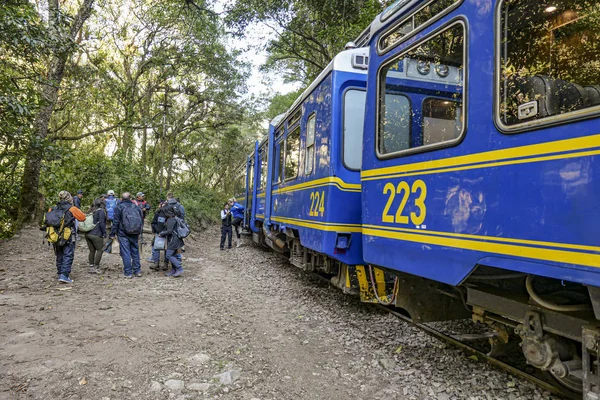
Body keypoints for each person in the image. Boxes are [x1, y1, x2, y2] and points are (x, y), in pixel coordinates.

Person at [48, 191, 86, 283]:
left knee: (59, 254)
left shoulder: (52, 208)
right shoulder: (72, 209)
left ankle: (60, 273)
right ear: (69, 198)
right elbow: (82, 218)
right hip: (68, 235)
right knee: (68, 254)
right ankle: (64, 275)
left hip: (55, 235)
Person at [109, 192, 144, 278]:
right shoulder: (136, 207)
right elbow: (141, 220)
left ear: (121, 199)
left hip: (123, 233)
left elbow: (115, 222)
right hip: (135, 232)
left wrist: (112, 233)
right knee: (135, 251)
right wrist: (140, 232)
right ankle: (137, 271)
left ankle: (128, 273)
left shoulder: (119, 207)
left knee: (126, 252)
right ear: (130, 198)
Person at [158, 205, 184, 277]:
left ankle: (179, 268)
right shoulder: (175, 218)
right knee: (173, 255)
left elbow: (169, 231)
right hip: (177, 239)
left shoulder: (170, 220)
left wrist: (161, 233)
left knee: (168, 255)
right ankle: (173, 270)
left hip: (173, 240)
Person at [85, 198, 107, 274]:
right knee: (100, 250)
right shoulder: (101, 211)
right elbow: (102, 223)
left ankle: (91, 266)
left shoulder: (90, 211)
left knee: (92, 251)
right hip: (96, 234)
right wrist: (104, 233)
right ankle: (96, 267)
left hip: (87, 233)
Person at [149, 201, 167, 270]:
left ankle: (164, 264)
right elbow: (153, 222)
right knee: (156, 248)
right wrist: (155, 231)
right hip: (160, 233)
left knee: (165, 249)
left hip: (166, 234)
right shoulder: (158, 213)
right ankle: (157, 264)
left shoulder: (169, 213)